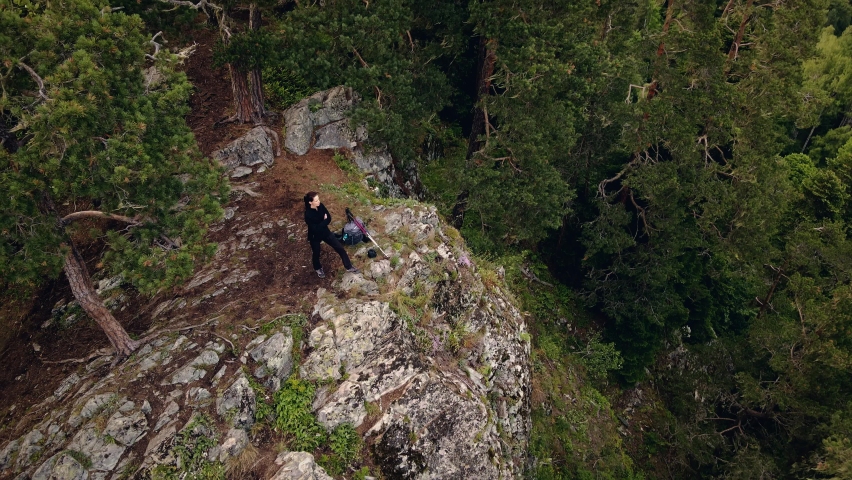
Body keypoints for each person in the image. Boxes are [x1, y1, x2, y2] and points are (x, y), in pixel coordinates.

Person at [304, 191, 359, 278]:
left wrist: (322, 222)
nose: (319, 201)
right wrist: (323, 221)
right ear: (310, 202)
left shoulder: (320, 205)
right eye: (316, 201)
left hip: (325, 232)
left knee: (340, 248)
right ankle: (318, 268)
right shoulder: (308, 215)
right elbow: (315, 228)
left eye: (318, 199)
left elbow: (329, 218)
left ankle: (348, 266)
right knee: (316, 253)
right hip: (314, 236)